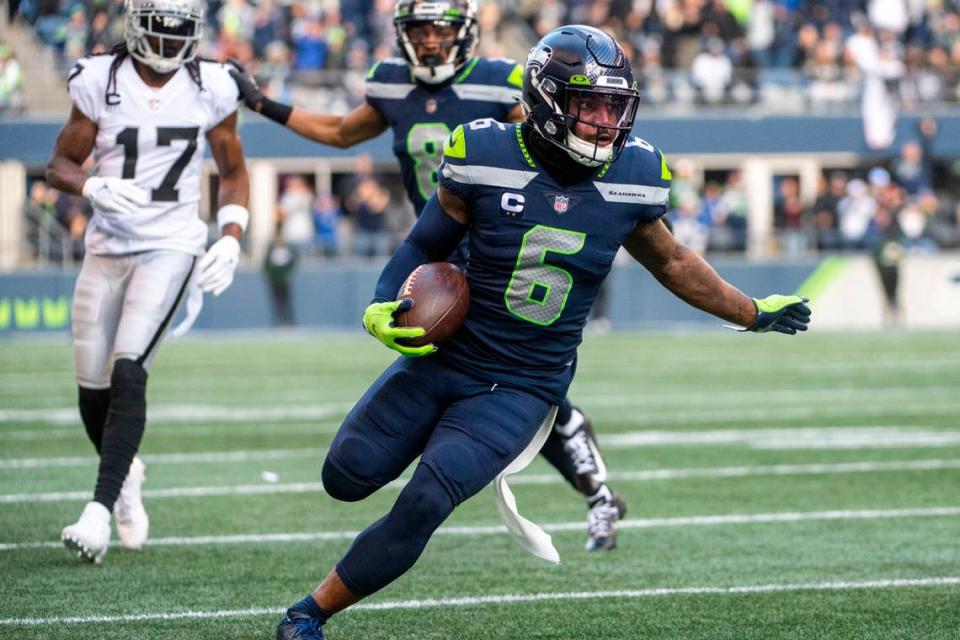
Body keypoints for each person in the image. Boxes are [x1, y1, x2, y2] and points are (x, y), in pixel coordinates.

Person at [274, 25, 811, 640]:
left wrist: (752, 312)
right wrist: (379, 302)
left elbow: (674, 262)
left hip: (523, 385)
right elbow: (426, 241)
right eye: (589, 103)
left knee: (425, 500)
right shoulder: (482, 152)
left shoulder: (633, 173)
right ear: (548, 98)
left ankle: (309, 614)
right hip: (446, 354)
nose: (606, 120)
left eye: (616, 104)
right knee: (344, 477)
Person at [232, 0, 627, 550]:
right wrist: (263, 104)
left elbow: (550, 154)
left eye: (441, 30)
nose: (430, 42)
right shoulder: (392, 85)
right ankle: (590, 491)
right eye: (418, 30)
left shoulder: (502, 81)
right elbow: (344, 132)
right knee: (478, 379)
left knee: (524, 384)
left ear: (464, 33)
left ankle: (596, 492)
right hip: (439, 256)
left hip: (499, 250)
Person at [45, 0, 250, 563]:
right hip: (107, 245)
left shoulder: (211, 85)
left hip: (172, 242)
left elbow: (232, 172)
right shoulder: (99, 79)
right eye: (160, 25)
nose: (169, 37)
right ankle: (126, 473)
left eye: (180, 27)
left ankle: (100, 510)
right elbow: (57, 164)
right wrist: (90, 187)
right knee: (91, 390)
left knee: (128, 367)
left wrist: (232, 235)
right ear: (136, 24)